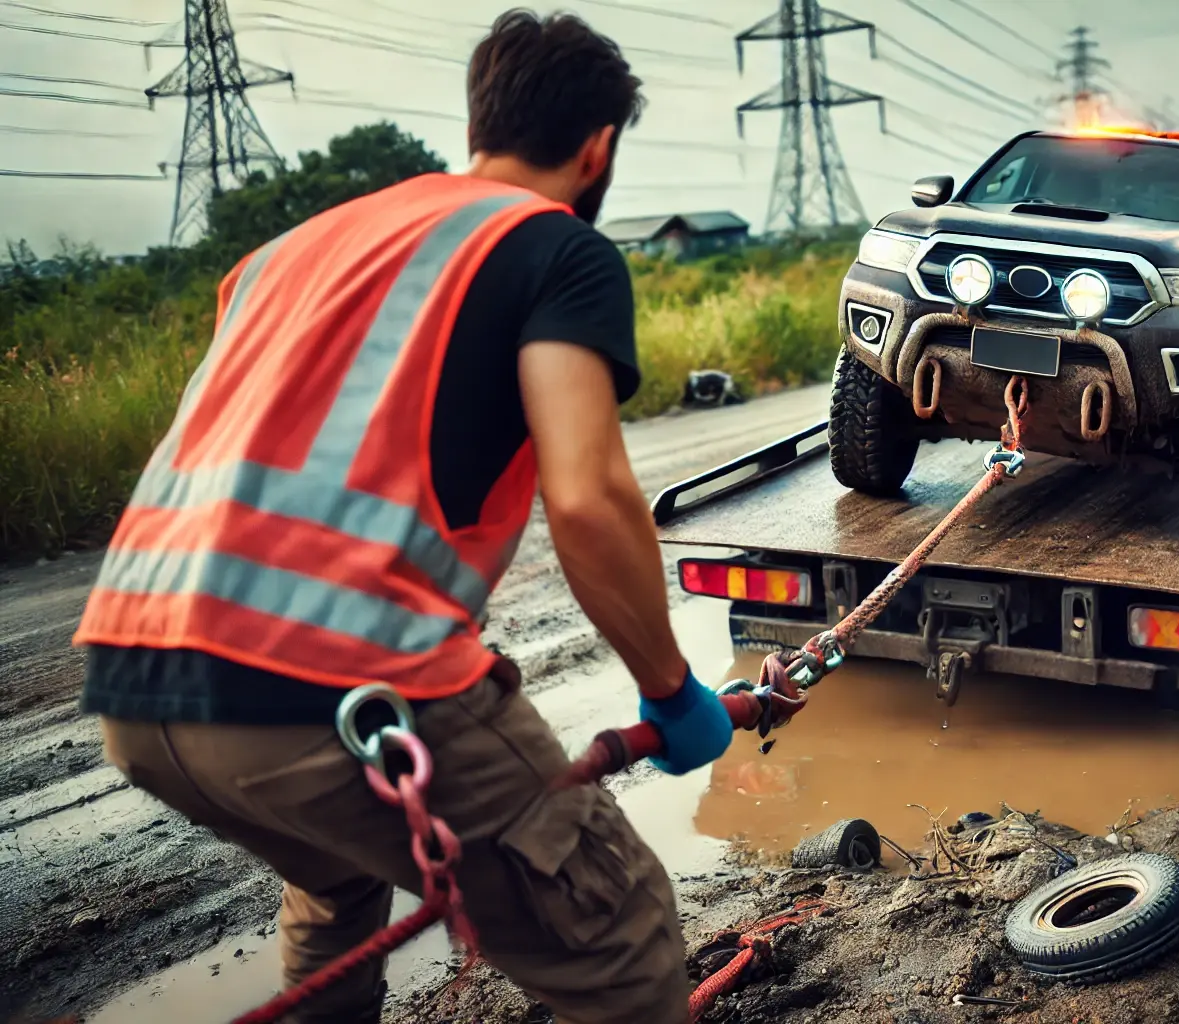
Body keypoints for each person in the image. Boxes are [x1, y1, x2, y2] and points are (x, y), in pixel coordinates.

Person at [72, 10, 733, 1023]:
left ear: (482, 118)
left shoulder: (291, 248)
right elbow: (590, 498)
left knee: (337, 882)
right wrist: (671, 689)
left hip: (134, 685)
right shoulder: (554, 249)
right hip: (331, 679)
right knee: (619, 924)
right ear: (598, 147)